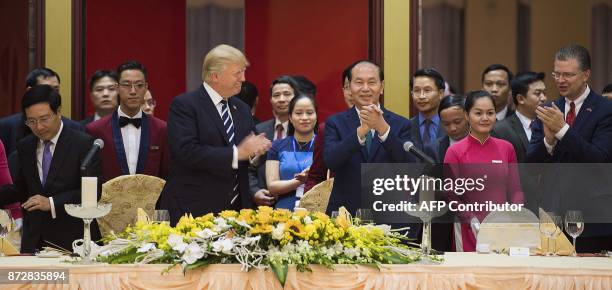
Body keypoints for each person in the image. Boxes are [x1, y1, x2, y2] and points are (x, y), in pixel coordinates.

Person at [159, 44, 271, 225]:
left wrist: (257, 151)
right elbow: (187, 152)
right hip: (195, 211)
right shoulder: (185, 105)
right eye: (237, 73)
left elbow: (249, 149)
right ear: (215, 76)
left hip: (238, 211)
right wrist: (237, 153)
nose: (243, 79)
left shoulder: (241, 108)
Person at [527, 44, 612, 253]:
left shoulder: (605, 109)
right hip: (552, 216)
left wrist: (563, 129)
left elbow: (599, 160)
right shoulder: (548, 110)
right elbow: (530, 166)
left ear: (585, 75)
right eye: (557, 74)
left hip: (591, 217)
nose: (560, 80)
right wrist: (548, 141)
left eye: (568, 75)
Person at [0, 85, 101, 253]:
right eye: (31, 121)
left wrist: (52, 202)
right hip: (35, 240)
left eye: (44, 119)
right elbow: (21, 189)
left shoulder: (83, 143)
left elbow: (91, 192)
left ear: (58, 112)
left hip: (73, 239)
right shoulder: (26, 146)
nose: (38, 127)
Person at [324, 60, 413, 215]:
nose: (365, 88)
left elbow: (409, 165)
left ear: (382, 87)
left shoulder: (402, 124)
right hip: (346, 212)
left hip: (388, 211)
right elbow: (331, 161)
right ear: (350, 87)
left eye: (372, 82)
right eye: (359, 82)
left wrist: (382, 129)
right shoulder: (335, 123)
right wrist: (361, 131)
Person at [444, 90, 524, 252]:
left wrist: (515, 212)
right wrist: (470, 218)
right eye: (478, 113)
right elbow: (451, 196)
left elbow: (515, 189)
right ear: (467, 115)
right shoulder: (455, 152)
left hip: (502, 227)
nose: (485, 118)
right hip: (469, 228)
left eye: (490, 113)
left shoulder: (506, 148)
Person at [86, 61, 170, 183]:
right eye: (126, 85)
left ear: (146, 88)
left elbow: (166, 174)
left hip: (152, 201)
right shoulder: (95, 129)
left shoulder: (162, 129)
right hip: (107, 201)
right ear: (117, 88)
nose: (133, 91)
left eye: (139, 85)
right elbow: (91, 176)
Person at [0, 68, 84, 156]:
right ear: (29, 91)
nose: (53, 94)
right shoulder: (7, 127)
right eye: (46, 89)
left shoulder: (75, 128)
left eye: (56, 89)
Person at [249, 76, 301, 206]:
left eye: (287, 94)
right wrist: (254, 191)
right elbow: (246, 168)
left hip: (295, 203)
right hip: (261, 205)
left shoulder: (304, 132)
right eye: (276, 95)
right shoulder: (258, 130)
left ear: (296, 98)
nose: (281, 99)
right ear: (271, 100)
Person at [304, 63, 354, 193]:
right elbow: (315, 176)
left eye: (358, 84)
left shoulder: (388, 127)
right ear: (343, 90)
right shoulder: (327, 128)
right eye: (348, 87)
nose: (353, 92)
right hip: (339, 207)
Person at [266, 95, 317, 209]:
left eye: (309, 112)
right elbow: (272, 185)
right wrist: (299, 181)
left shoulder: (325, 146)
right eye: (298, 113)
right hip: (283, 211)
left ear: (316, 116)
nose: (304, 117)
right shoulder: (276, 146)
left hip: (317, 211)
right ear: (290, 117)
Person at [493, 72, 547, 162]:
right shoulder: (500, 130)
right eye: (538, 93)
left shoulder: (550, 124)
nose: (543, 98)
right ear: (520, 99)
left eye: (544, 93)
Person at [409, 68, 447, 150]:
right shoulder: (406, 127)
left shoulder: (452, 125)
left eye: (427, 90)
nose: (421, 96)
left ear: (441, 93)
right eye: (417, 90)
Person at [424, 94, 469, 164]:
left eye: (457, 122)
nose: (452, 128)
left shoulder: (485, 142)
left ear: (468, 117)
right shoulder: (433, 149)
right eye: (446, 124)